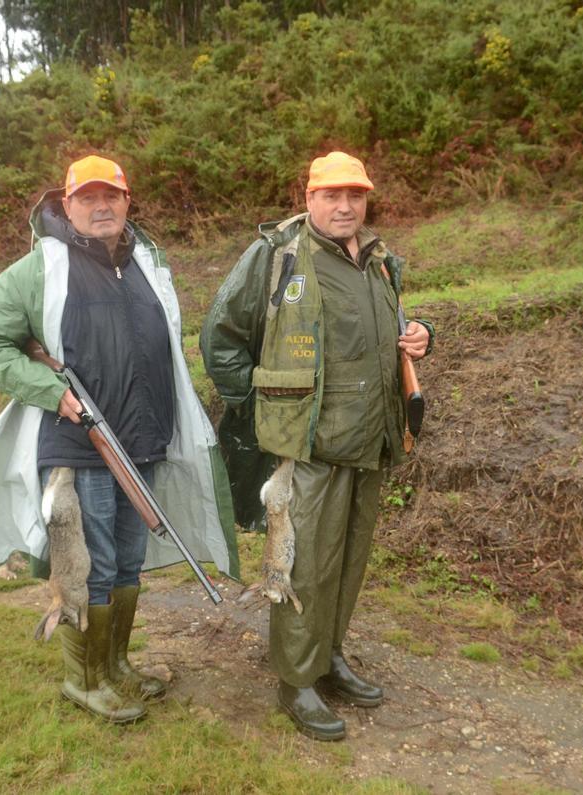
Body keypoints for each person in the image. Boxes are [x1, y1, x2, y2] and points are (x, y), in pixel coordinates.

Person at [0, 155, 238, 724]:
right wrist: (49, 388)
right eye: (86, 198)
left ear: (128, 201)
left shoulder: (145, 265)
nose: (100, 206)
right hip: (78, 445)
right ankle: (85, 679)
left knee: (130, 561)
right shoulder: (39, 270)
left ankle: (117, 667)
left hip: (142, 441)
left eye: (110, 195)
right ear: (67, 206)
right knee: (92, 565)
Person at [201, 151, 432, 741]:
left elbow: (385, 331)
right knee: (303, 565)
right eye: (332, 195)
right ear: (308, 198)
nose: (345, 205)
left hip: (370, 438)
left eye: (355, 195)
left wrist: (421, 333)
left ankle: (328, 657)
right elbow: (220, 337)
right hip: (308, 447)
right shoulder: (277, 255)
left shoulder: (379, 262)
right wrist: (260, 413)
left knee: (349, 561)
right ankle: (295, 680)